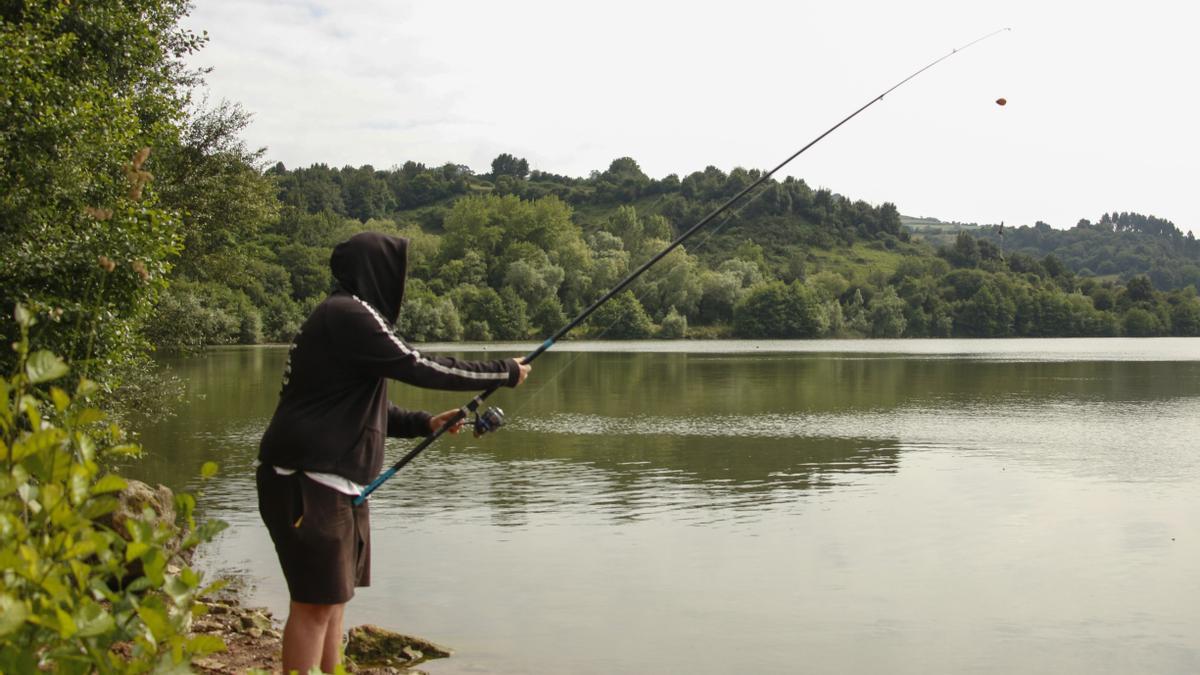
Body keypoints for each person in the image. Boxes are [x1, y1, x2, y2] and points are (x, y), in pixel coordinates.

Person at [257, 232, 530, 673]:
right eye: (397, 270)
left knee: (333, 601)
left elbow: (365, 407)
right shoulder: (348, 313)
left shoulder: (343, 317)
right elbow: (418, 365)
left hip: (334, 484)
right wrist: (504, 371)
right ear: (377, 271)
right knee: (312, 607)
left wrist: (425, 423)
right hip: (307, 482)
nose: (400, 282)